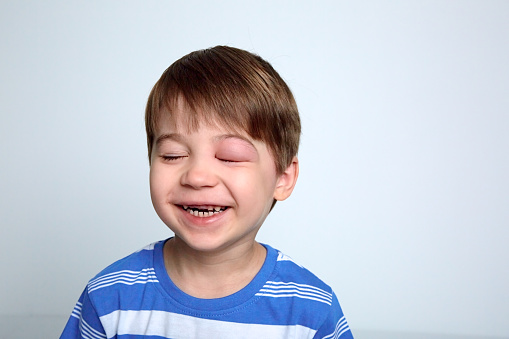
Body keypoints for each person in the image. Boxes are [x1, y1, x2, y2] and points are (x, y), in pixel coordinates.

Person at [61, 45, 354, 338]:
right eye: (173, 155)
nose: (197, 176)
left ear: (283, 178)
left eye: (230, 156)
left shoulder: (311, 310)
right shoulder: (110, 297)